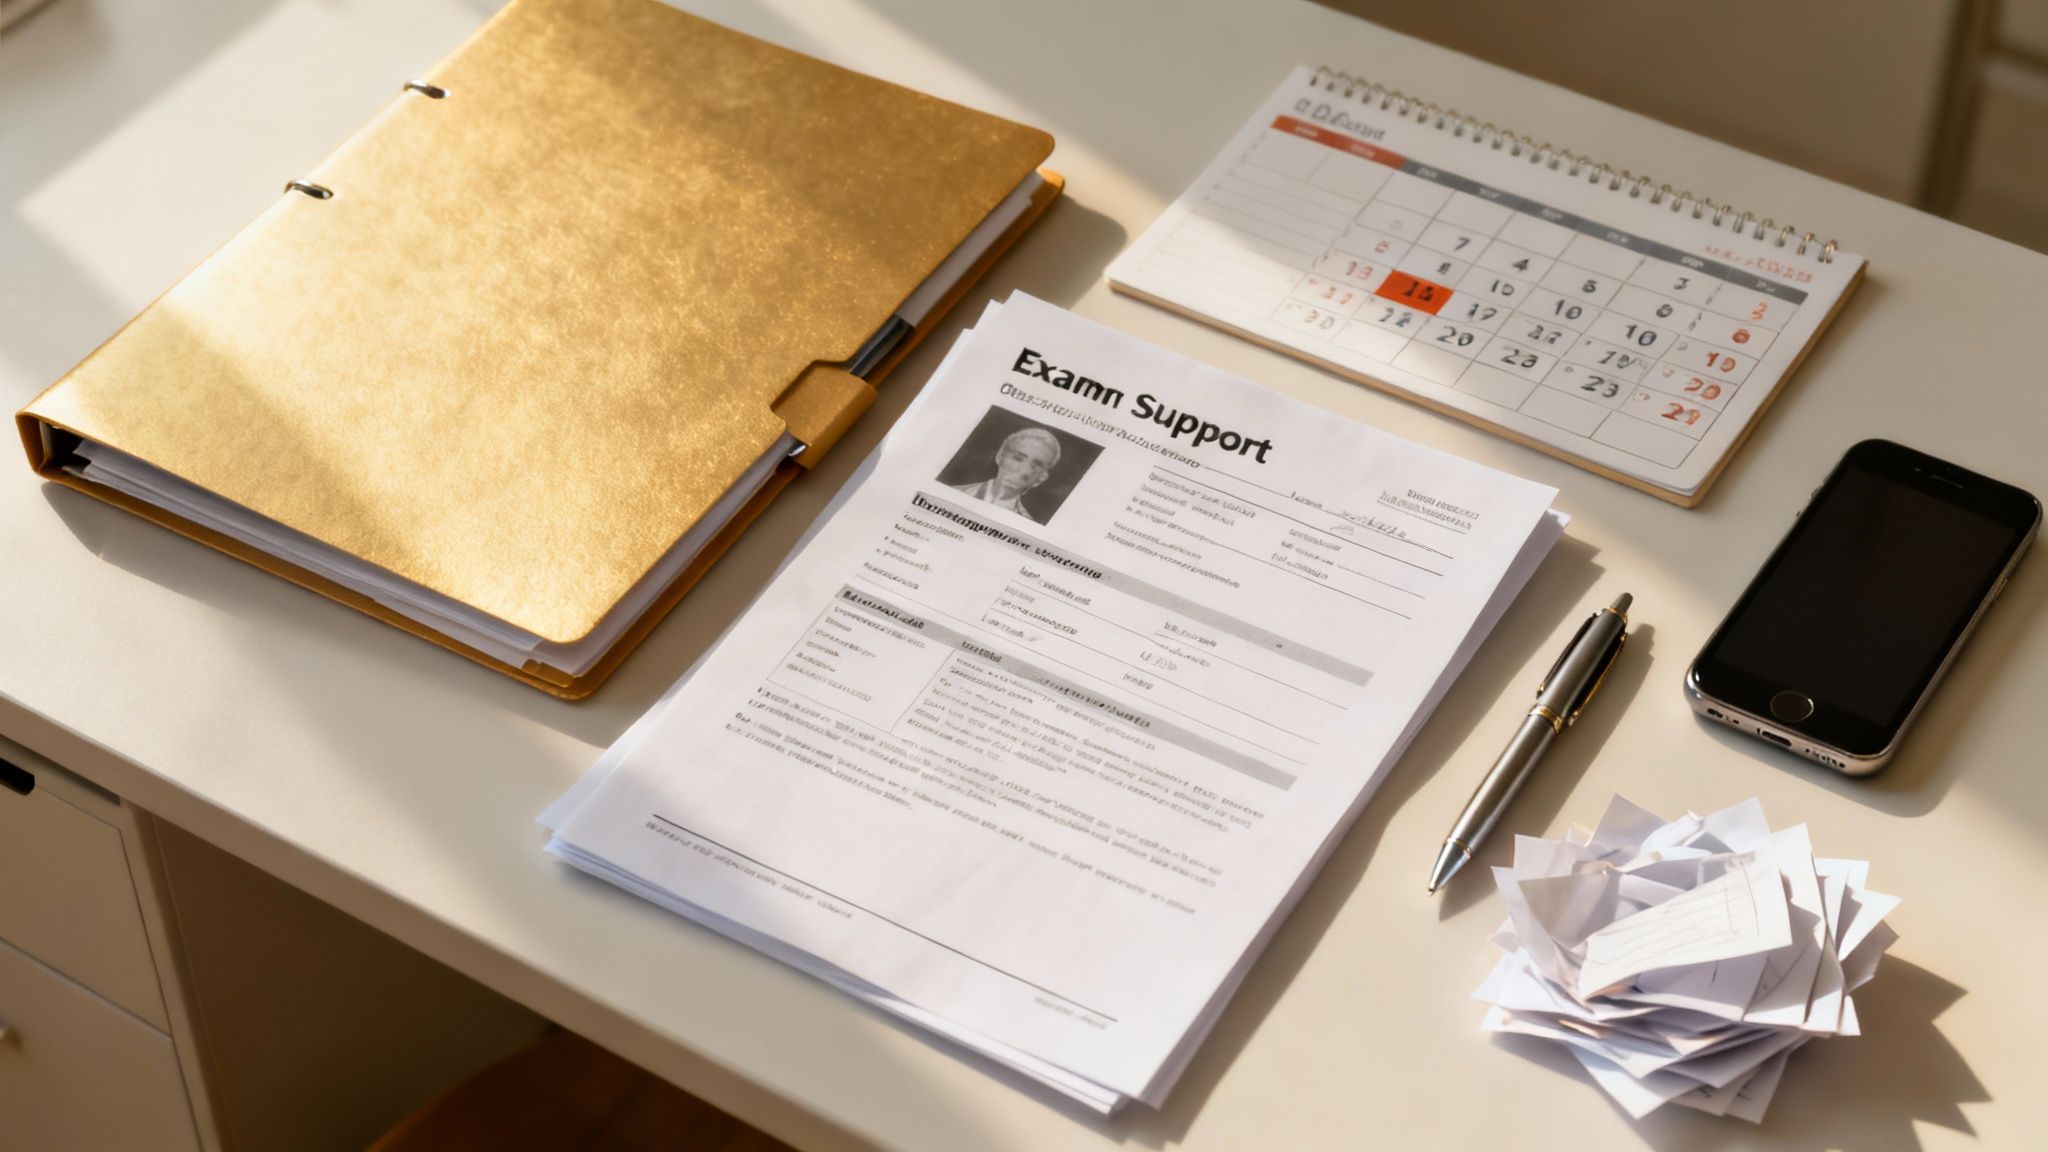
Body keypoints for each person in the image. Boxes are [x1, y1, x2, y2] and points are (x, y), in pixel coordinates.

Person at [950, 426, 1061, 524]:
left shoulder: (1026, 525)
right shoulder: (952, 493)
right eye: (1018, 458)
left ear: (1041, 478)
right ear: (1000, 457)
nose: (1024, 471)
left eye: (1035, 466)